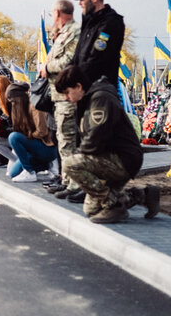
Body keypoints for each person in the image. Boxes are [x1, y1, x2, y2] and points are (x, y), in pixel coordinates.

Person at [54, 65, 159, 224]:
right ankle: (143, 195)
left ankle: (114, 205)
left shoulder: (100, 99)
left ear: (78, 86)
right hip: (111, 157)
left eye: (68, 92)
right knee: (91, 209)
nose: (67, 98)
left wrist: (81, 158)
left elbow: (97, 135)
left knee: (70, 164)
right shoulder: (88, 99)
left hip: (123, 158)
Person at [38, 0, 81, 198]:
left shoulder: (74, 31)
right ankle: (67, 180)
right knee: (62, 140)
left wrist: (47, 68)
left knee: (68, 141)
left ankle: (74, 184)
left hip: (67, 96)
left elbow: (69, 60)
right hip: (58, 97)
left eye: (53, 14)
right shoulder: (62, 33)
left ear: (58, 13)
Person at [3, 82, 59, 183]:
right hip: (34, 148)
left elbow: (42, 131)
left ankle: (30, 172)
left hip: (46, 146)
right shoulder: (19, 109)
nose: (13, 104)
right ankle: (44, 165)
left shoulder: (34, 106)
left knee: (13, 137)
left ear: (19, 98)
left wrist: (28, 136)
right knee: (12, 173)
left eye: (13, 101)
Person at [70, 0, 124, 85]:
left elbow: (97, 58)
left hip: (100, 90)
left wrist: (73, 78)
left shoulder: (111, 22)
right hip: (84, 88)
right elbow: (77, 57)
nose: (79, 3)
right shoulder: (88, 24)